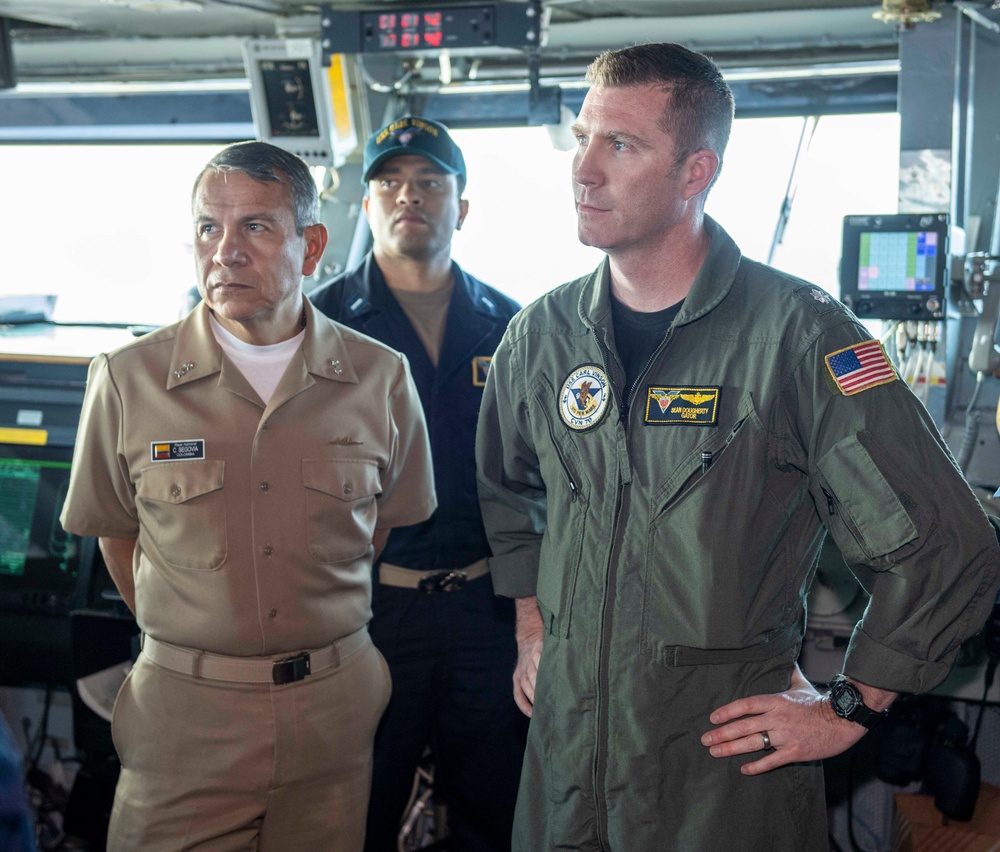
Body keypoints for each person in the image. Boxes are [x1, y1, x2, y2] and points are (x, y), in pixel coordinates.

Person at [475, 42, 1000, 851]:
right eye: (581, 137)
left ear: (696, 172)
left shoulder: (797, 336)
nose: (583, 170)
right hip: (566, 763)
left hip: (716, 769)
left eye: (620, 145)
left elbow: (947, 544)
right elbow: (510, 492)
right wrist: (532, 628)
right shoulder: (540, 337)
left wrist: (848, 706)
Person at [59, 141, 436, 852]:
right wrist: (207, 636)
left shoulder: (380, 377)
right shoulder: (126, 378)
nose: (225, 251)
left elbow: (380, 528)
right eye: (209, 227)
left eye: (256, 228)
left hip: (334, 711)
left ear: (312, 244)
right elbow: (115, 533)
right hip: (185, 714)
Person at [311, 115, 526, 852]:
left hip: (486, 612)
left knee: (495, 812)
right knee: (356, 815)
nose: (410, 196)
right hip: (369, 614)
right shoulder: (320, 325)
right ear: (367, 205)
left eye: (431, 182)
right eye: (390, 182)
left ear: (460, 207)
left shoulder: (513, 327)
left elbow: (537, 475)